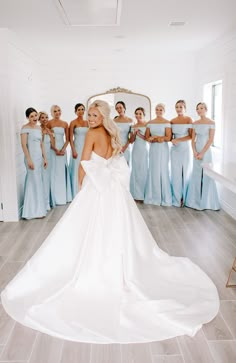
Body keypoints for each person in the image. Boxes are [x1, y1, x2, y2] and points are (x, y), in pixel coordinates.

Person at [1, 100, 219, 344]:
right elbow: (114, 158)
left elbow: (84, 164)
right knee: (118, 228)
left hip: (98, 187)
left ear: (102, 116)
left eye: (94, 114)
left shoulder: (94, 133)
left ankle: (98, 268)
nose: (91, 118)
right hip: (114, 189)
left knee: (89, 229)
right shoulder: (110, 132)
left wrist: (81, 189)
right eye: (90, 114)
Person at [185, 102, 220, 210]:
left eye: (201, 108)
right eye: (197, 109)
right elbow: (193, 139)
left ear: (206, 109)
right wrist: (194, 151)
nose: (199, 110)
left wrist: (202, 153)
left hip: (206, 151)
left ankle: (207, 203)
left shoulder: (211, 122)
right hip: (196, 150)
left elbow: (210, 140)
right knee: (196, 174)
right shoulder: (195, 123)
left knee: (207, 175)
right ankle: (194, 201)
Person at [20, 108, 48, 219]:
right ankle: (31, 211)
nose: (34, 118)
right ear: (27, 117)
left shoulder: (38, 128)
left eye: (35, 115)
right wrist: (29, 159)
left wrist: (45, 158)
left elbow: (41, 145)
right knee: (33, 181)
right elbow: (23, 145)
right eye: (31, 116)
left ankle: (38, 209)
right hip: (30, 158)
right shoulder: (25, 128)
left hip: (38, 158)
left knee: (37, 182)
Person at [144, 103, 172, 206]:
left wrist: (157, 138)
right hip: (153, 149)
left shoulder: (167, 122)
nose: (159, 111)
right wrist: (155, 138)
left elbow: (168, 138)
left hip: (163, 149)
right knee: (153, 170)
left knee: (163, 170)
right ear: (155, 110)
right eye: (157, 109)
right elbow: (147, 137)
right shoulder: (150, 123)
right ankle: (153, 197)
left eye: (161, 110)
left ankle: (165, 197)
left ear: (164, 111)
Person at [48, 105, 72, 205]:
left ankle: (63, 197)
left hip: (62, 149)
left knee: (62, 172)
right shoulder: (49, 123)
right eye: (55, 111)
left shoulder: (65, 123)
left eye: (59, 110)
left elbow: (67, 139)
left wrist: (62, 149)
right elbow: (48, 138)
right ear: (52, 113)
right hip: (52, 149)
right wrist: (55, 149)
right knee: (54, 172)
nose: (57, 112)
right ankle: (54, 198)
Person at [170, 100, 193, 207]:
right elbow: (170, 137)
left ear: (185, 108)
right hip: (174, 150)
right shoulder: (172, 121)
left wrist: (178, 140)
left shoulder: (189, 119)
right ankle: (177, 198)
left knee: (185, 172)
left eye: (181, 107)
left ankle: (186, 197)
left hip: (185, 148)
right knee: (176, 173)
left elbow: (191, 136)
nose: (178, 109)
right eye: (177, 107)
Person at [69, 103, 89, 198]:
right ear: (75, 111)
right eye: (79, 110)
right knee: (77, 168)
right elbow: (70, 138)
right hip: (77, 147)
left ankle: (85, 190)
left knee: (85, 168)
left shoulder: (88, 122)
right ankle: (76, 191)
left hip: (86, 148)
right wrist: (73, 150)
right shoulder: (73, 123)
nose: (81, 111)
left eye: (82, 109)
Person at [130, 107, 148, 201]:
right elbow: (131, 141)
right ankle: (136, 194)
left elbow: (148, 139)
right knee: (136, 170)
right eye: (136, 113)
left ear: (144, 115)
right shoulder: (133, 126)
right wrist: (134, 133)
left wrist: (139, 133)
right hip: (135, 149)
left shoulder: (147, 125)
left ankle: (143, 194)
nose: (138, 115)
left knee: (143, 170)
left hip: (144, 149)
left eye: (140, 113)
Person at [39, 111, 55, 210]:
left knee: (48, 179)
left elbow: (52, 144)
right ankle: (43, 204)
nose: (45, 119)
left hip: (50, 156)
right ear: (39, 119)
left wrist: (50, 134)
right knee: (43, 179)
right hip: (42, 156)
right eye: (42, 118)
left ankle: (48, 202)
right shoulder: (38, 130)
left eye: (46, 117)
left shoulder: (49, 130)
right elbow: (40, 145)